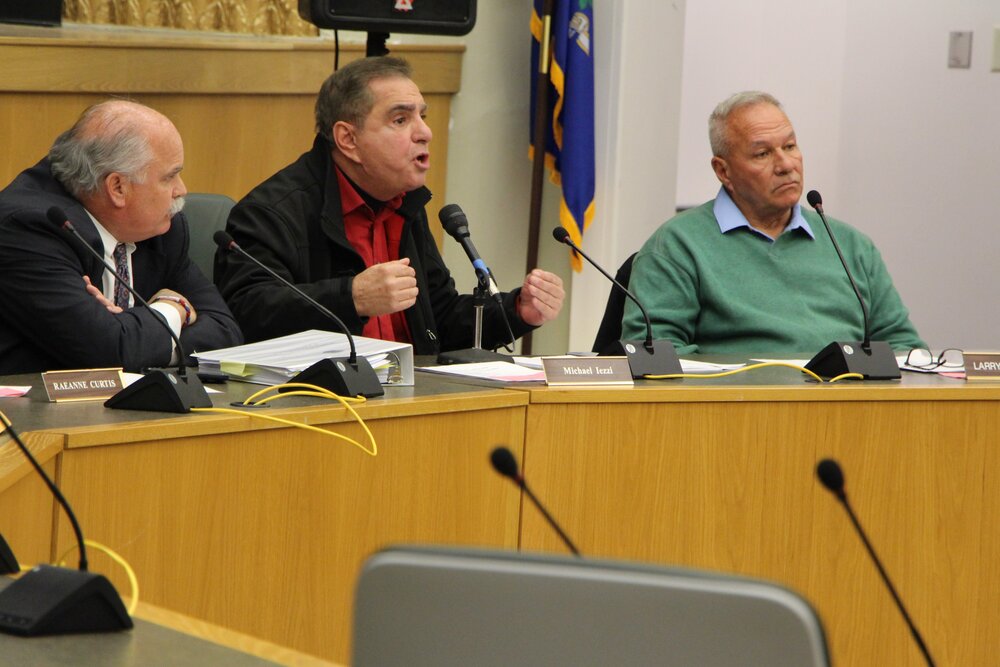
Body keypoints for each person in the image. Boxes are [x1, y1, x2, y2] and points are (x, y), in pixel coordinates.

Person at [215, 56, 565, 352]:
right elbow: (245, 315)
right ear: (348, 139)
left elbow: (439, 322)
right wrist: (351, 297)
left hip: (410, 403)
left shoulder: (404, 205)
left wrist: (516, 309)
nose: (424, 132)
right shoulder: (271, 211)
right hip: (320, 408)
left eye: (422, 116)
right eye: (401, 119)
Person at [623, 91, 924, 355]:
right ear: (723, 171)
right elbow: (655, 354)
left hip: (845, 412)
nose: (785, 165)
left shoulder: (850, 246)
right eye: (763, 153)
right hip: (739, 413)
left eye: (790, 146)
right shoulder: (678, 244)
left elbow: (904, 348)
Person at [0, 100, 243, 374]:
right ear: (117, 187)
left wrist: (132, 335)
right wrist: (175, 309)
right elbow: (108, 352)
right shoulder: (28, 230)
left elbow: (225, 332)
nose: (181, 190)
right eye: (170, 177)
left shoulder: (160, 230)